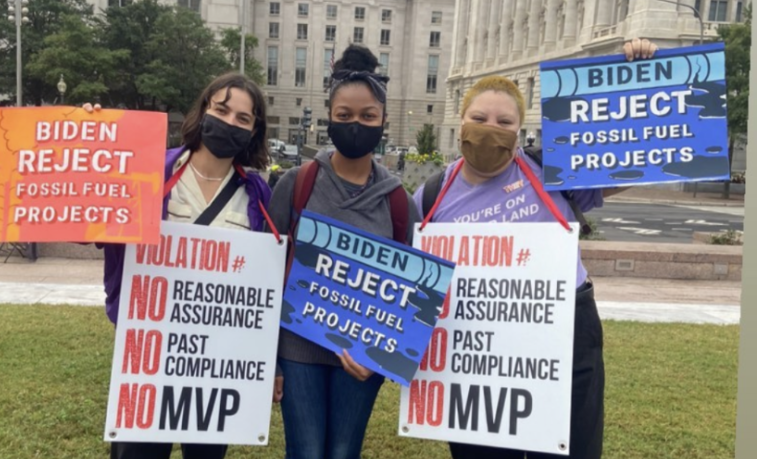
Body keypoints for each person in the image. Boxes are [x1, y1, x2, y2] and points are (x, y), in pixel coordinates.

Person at [414, 38, 658, 459]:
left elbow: (632, 158)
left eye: (504, 122)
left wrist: (637, 79)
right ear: (461, 122)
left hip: (566, 331)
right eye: (480, 118)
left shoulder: (553, 171)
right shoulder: (432, 195)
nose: (490, 128)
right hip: (477, 348)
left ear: (520, 130)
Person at [86, 72, 274, 459]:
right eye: (222, 110)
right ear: (204, 108)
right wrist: (90, 138)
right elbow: (86, 226)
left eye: (243, 119)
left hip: (217, 360)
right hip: (148, 356)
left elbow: (266, 278)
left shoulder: (258, 195)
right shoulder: (147, 170)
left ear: (254, 131)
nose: (229, 123)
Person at [267, 44, 421, 459]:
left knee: (342, 453)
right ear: (329, 117)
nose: (356, 124)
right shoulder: (296, 184)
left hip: (362, 355)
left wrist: (382, 358)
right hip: (298, 350)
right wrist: (271, 361)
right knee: (306, 452)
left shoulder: (400, 203)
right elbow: (265, 276)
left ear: (383, 121)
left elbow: (412, 293)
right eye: (345, 116)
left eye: (368, 116)